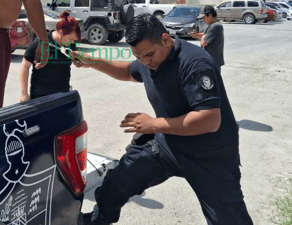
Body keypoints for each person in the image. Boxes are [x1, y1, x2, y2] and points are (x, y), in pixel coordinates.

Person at [74, 14, 252, 225]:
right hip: (169, 146)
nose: (145, 62)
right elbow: (129, 72)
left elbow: (209, 120)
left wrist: (152, 124)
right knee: (116, 184)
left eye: (148, 55)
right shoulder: (148, 60)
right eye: (138, 57)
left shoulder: (194, 63)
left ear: (166, 40)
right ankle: (98, 220)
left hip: (210, 155)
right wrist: (93, 61)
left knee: (230, 220)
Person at [19, 11, 81, 102]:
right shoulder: (40, 43)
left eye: (74, 40)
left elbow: (76, 60)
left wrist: (78, 61)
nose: (72, 42)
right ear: (60, 32)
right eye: (70, 39)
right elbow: (25, 66)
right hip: (40, 97)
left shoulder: (70, 46)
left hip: (62, 95)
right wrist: (24, 93)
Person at [190, 5, 224, 73]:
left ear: (210, 15)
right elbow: (206, 35)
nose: (203, 20)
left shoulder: (215, 26)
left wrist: (202, 37)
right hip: (211, 60)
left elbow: (203, 43)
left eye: (204, 17)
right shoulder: (213, 25)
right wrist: (197, 35)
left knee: (211, 82)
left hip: (212, 62)